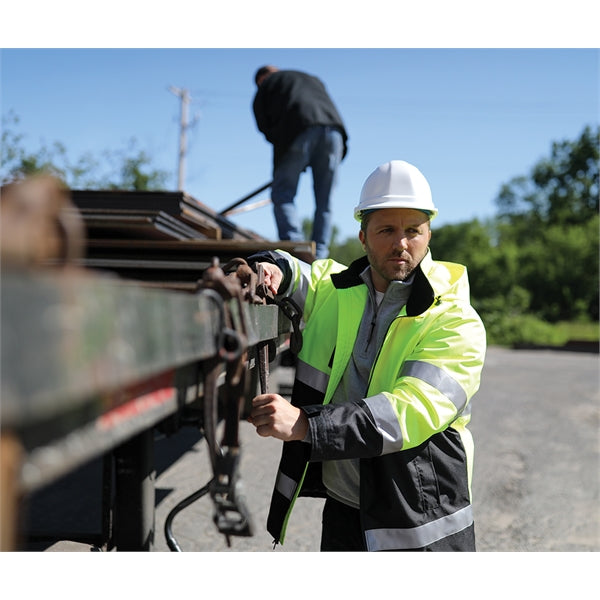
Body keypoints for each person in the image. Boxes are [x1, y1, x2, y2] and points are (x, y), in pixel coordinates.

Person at [246, 160, 487, 551]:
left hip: (417, 521)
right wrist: (270, 269)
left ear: (428, 234)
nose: (401, 243)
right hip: (345, 506)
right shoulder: (336, 291)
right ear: (363, 235)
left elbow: (410, 411)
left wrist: (308, 425)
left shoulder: (455, 319)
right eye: (386, 230)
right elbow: (299, 272)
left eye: (413, 231)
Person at [252, 65, 349, 260]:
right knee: (325, 200)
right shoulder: (310, 78)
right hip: (335, 135)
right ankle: (320, 254)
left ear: (261, 79)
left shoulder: (266, 85)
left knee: (282, 193)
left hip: (297, 131)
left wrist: (288, 159)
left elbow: (266, 128)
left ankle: (294, 246)